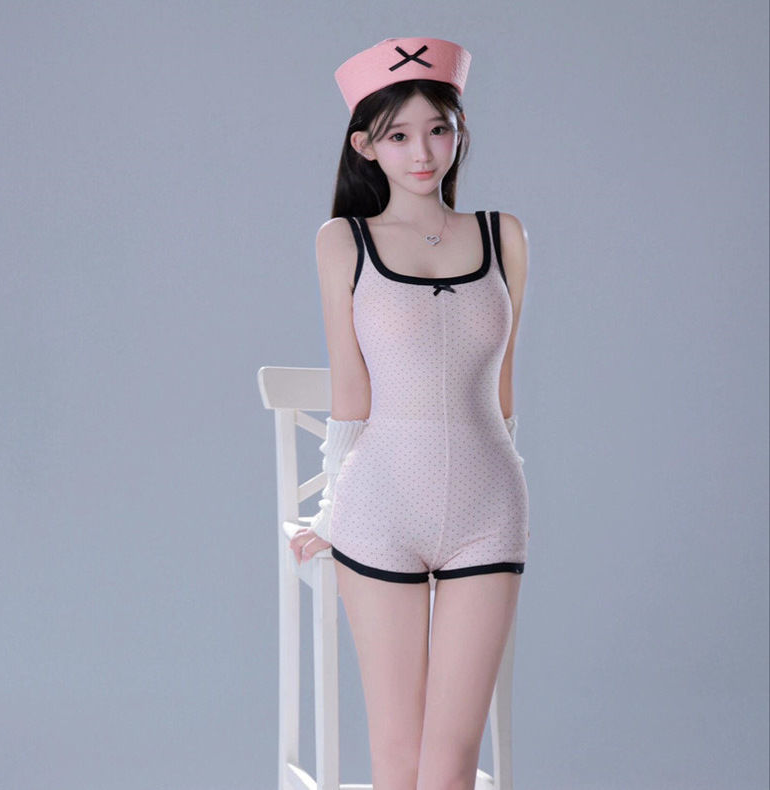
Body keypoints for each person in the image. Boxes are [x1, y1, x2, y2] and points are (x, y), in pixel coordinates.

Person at [288, 36, 530, 789]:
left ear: (460, 132)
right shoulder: (343, 242)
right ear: (365, 145)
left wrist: (512, 479)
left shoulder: (504, 236)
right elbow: (350, 395)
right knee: (397, 761)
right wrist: (330, 511)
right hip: (380, 508)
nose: (422, 152)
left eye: (438, 129)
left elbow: (503, 392)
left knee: (450, 766)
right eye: (397, 135)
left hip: (490, 508)